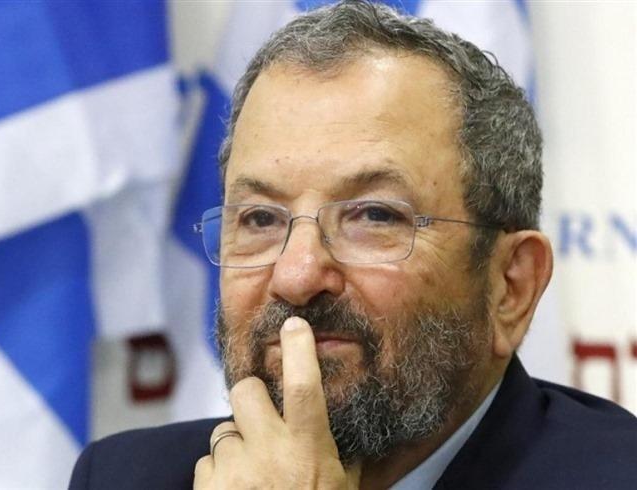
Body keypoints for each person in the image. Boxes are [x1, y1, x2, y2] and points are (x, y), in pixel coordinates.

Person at [69, 2, 637, 489]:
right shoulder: (127, 477)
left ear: (511, 286)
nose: (296, 275)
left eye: (373, 215)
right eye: (260, 218)